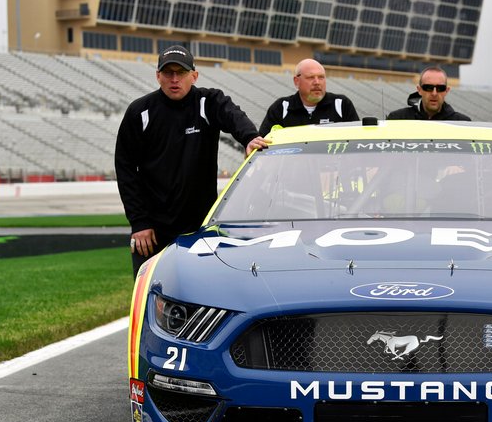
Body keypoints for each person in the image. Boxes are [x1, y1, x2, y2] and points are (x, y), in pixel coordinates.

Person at [115, 45, 267, 277]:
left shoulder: (208, 102)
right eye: (168, 73)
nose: (174, 79)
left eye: (181, 72)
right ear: (158, 76)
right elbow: (125, 169)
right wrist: (139, 222)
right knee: (149, 295)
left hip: (200, 227)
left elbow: (232, 114)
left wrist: (249, 137)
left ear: (194, 76)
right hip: (152, 231)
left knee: (203, 293)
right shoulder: (140, 112)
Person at [258, 59, 359, 137]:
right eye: (311, 77)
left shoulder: (341, 105)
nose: (317, 82)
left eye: (321, 77)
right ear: (296, 81)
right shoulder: (281, 108)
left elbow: (357, 140)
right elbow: (262, 144)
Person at [386, 66, 471, 121]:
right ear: (419, 90)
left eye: (440, 88)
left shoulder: (462, 123)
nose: (434, 93)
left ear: (446, 91)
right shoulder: (398, 119)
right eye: (428, 88)